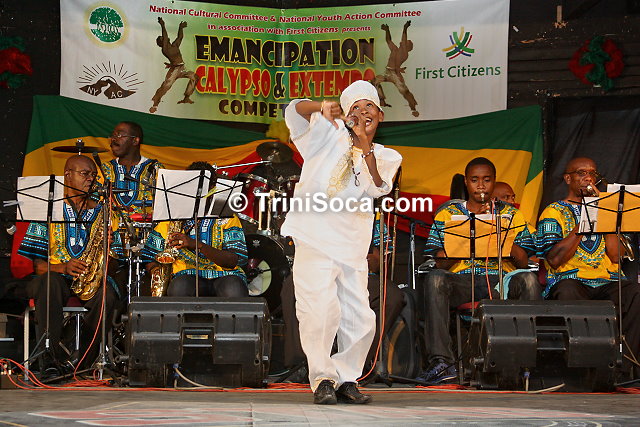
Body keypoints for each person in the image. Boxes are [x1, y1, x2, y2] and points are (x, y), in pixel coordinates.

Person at [282, 80, 402, 404]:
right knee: (319, 312)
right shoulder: (326, 135)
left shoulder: (387, 156)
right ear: (346, 115)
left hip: (352, 246)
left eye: (369, 106)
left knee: (361, 319)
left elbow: (377, 186)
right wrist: (320, 107)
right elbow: (293, 110)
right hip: (314, 236)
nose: (363, 112)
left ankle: (347, 378)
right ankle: (323, 378)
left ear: (380, 115)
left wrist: (364, 144)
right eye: (355, 108)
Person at [419, 157, 541, 384]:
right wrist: (465, 236)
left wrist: (498, 228)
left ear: (494, 181)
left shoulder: (512, 214)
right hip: (462, 280)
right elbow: (439, 261)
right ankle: (442, 362)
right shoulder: (448, 214)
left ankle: (525, 360)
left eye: (486, 180)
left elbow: (524, 262)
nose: (481, 186)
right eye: (475, 180)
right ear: (466, 182)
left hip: (501, 280)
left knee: (529, 280)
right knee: (436, 279)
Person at [18, 155, 122, 376]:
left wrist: (108, 251)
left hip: (89, 280)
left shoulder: (103, 212)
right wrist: (63, 267)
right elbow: (35, 264)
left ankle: (81, 361)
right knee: (50, 283)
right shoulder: (49, 210)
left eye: (93, 175)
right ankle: (49, 359)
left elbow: (115, 265)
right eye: (85, 174)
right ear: (68, 175)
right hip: (55, 278)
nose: (91, 179)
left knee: (108, 295)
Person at [537, 157, 640, 379]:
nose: (588, 178)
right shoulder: (553, 211)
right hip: (570, 280)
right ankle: (580, 369)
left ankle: (623, 370)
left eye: (592, 173)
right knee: (568, 291)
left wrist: (605, 214)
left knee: (635, 293)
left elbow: (616, 255)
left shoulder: (605, 209)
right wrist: (584, 219)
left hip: (607, 280)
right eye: (581, 173)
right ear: (568, 178)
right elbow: (553, 259)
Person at [278, 215, 405, 384]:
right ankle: (302, 363)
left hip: (356, 274)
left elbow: (378, 260)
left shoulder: (368, 217)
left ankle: (356, 367)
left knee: (390, 295)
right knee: (292, 285)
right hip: (321, 269)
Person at [141, 162, 248, 297]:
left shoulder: (227, 217)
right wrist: (158, 274)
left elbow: (235, 260)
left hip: (225, 275)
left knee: (233, 288)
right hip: (187, 276)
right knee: (179, 287)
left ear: (213, 188)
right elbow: (149, 255)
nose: (197, 192)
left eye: (203, 187)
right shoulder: (171, 218)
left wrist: (198, 245)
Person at [102, 121, 164, 219]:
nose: (113, 139)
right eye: (113, 135)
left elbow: (165, 206)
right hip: (110, 228)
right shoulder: (105, 169)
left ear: (135, 141)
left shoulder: (155, 169)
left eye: (119, 135)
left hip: (147, 227)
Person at [373, 21, 419, 117]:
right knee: (375, 81)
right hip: (388, 72)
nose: (403, 42)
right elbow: (388, 40)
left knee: (405, 92)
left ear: (407, 47)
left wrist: (405, 28)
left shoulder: (404, 53)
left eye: (406, 43)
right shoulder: (395, 49)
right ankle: (382, 101)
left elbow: (403, 39)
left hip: (395, 74)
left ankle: (413, 108)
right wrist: (387, 30)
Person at [149, 17, 196, 113]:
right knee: (165, 87)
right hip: (174, 70)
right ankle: (155, 104)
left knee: (194, 77)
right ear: (162, 43)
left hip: (182, 68)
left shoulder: (174, 45)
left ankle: (186, 97)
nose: (165, 38)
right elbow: (165, 36)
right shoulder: (165, 49)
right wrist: (162, 25)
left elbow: (180, 37)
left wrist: (181, 28)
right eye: (163, 39)